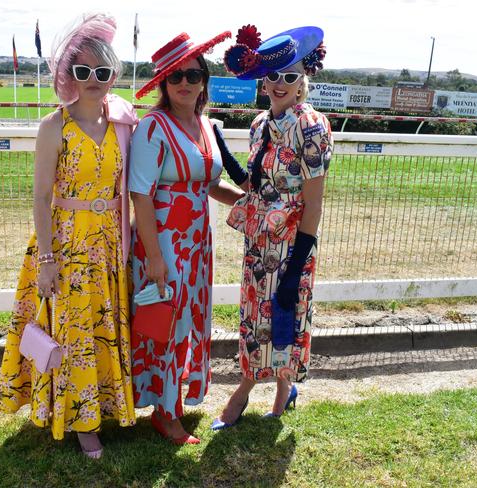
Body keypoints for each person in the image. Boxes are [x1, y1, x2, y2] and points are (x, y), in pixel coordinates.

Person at [0, 13, 137, 459]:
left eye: (102, 71)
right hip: (66, 243)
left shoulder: (123, 122)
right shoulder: (53, 126)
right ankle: (79, 421)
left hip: (109, 243)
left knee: (103, 328)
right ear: (68, 75)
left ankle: (105, 405)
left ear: (113, 73)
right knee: (73, 331)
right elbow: (40, 198)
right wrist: (47, 261)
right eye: (83, 71)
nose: (93, 79)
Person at [211, 24, 333, 429]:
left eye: (290, 76)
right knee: (254, 318)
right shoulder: (261, 123)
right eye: (273, 76)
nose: (280, 84)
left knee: (282, 317)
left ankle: (246, 393)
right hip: (259, 242)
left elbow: (313, 205)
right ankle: (282, 391)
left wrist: (297, 266)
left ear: (303, 81)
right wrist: (220, 149)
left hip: (293, 246)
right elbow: (254, 184)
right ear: (264, 80)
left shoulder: (312, 126)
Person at [129, 30, 243, 444]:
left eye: (192, 75)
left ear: (204, 82)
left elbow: (209, 184)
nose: (184, 83)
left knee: (189, 320)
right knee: (167, 321)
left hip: (197, 243)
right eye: (175, 76)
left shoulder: (205, 126)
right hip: (163, 241)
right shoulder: (152, 128)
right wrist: (155, 257)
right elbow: (139, 193)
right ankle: (164, 411)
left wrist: (250, 202)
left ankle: (175, 399)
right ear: (162, 83)